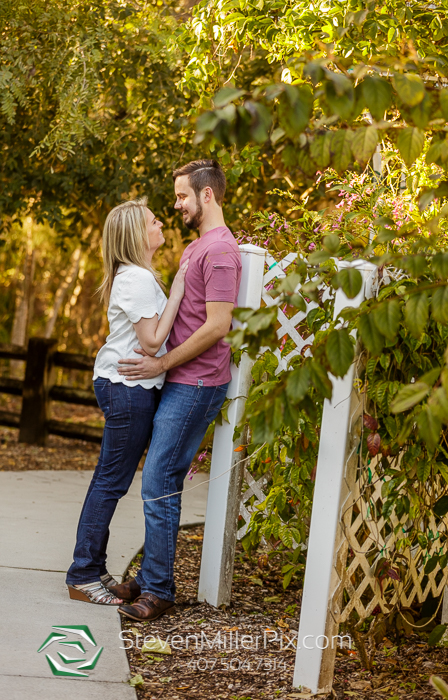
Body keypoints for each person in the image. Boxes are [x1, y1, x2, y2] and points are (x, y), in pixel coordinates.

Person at [108, 159, 241, 621]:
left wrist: (161, 362)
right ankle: (150, 578)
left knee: (160, 480)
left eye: (183, 195)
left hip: (197, 381)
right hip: (180, 380)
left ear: (207, 196)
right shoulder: (196, 248)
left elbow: (218, 325)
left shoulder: (220, 251)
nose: (177, 204)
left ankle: (159, 588)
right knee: (160, 479)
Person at [66, 197, 188, 605]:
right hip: (127, 389)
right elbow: (153, 341)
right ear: (138, 233)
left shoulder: (138, 276)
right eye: (154, 221)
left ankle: (92, 566)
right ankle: (83, 573)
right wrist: (180, 290)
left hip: (130, 388)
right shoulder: (135, 278)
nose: (160, 224)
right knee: (111, 481)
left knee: (111, 480)